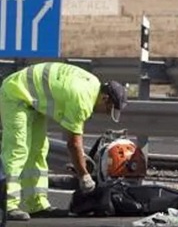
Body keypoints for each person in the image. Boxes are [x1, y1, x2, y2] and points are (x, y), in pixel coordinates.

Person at [0, 62, 128, 221]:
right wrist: (84, 176)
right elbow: (73, 144)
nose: (106, 114)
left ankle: (36, 204)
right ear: (105, 98)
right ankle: (6, 204)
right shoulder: (82, 99)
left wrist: (80, 159)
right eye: (109, 109)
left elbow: (75, 145)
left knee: (38, 150)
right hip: (16, 94)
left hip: (33, 99)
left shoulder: (94, 85)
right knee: (17, 150)